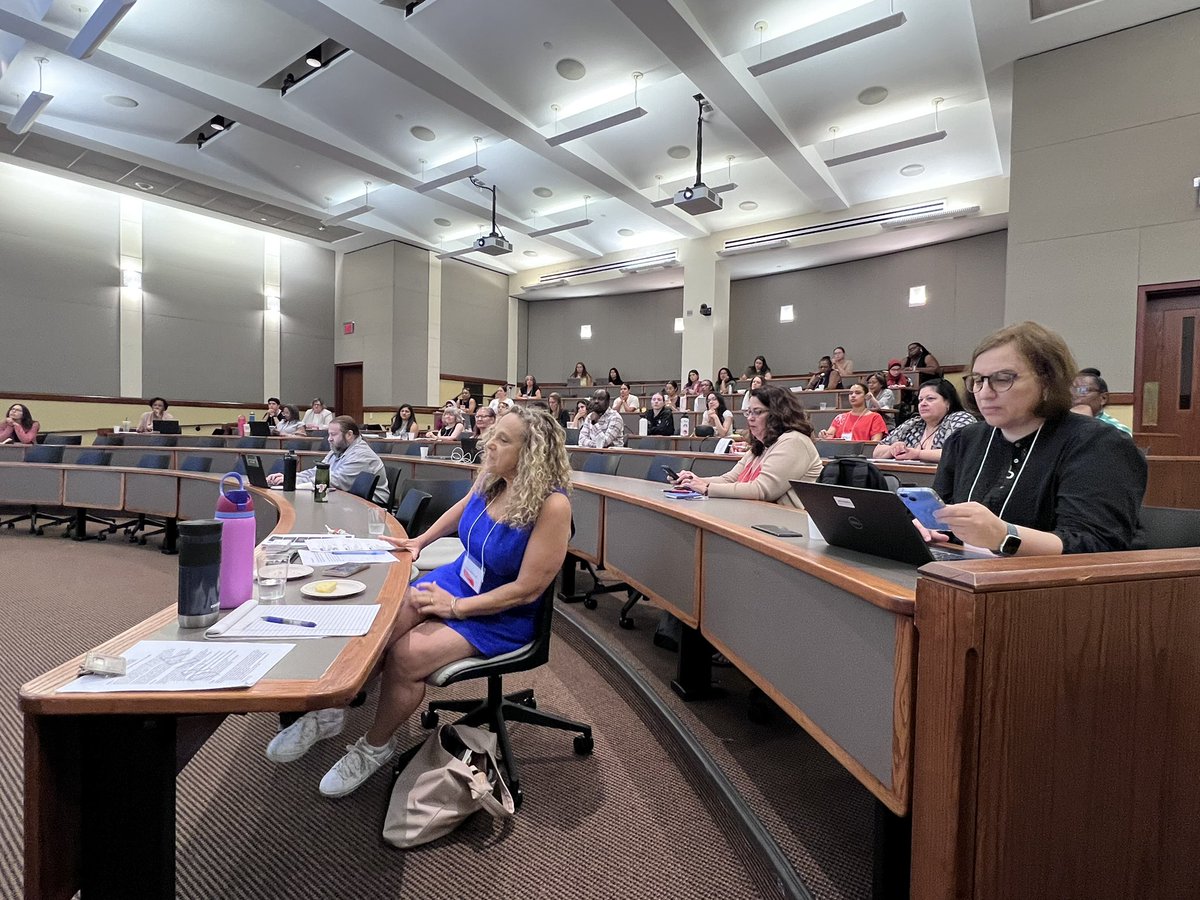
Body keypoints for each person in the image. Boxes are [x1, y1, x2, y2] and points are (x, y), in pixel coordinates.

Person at [267, 407, 572, 797]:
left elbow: (527, 590)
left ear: (531, 453)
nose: (488, 443)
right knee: (383, 624)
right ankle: (330, 711)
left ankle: (375, 746)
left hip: (499, 611)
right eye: (492, 433)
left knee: (407, 657)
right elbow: (463, 509)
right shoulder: (495, 478)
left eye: (503, 439)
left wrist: (456, 609)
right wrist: (419, 541)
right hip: (460, 579)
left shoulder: (552, 506)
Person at [926, 322, 1146, 556]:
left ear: (1047, 382)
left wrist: (1004, 535)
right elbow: (945, 521)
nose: (985, 392)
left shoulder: (1098, 444)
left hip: (1052, 586)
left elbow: (1096, 544)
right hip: (963, 578)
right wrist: (928, 529)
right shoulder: (965, 440)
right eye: (978, 380)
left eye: (1003, 379)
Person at [676, 384, 822, 508]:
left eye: (757, 412)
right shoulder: (761, 445)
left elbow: (762, 490)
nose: (751, 418)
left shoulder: (794, 441)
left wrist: (707, 488)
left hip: (788, 526)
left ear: (779, 414)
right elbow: (730, 479)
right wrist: (694, 480)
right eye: (748, 412)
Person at [268, 416, 389, 505]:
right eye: (329, 435)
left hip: (371, 507)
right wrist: (290, 478)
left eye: (333, 435)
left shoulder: (362, 455)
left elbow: (334, 480)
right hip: (350, 501)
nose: (329, 439)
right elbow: (317, 472)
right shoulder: (338, 450)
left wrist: (294, 483)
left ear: (349, 435)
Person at [872, 378, 975, 463]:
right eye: (920, 400)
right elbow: (877, 451)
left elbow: (964, 451)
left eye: (930, 399)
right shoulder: (913, 423)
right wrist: (893, 449)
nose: (923, 403)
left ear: (948, 402)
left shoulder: (960, 418)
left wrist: (918, 454)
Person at [1070, 370, 1133, 436]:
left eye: (1083, 390)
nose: (1074, 395)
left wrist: (1085, 421)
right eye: (1072, 390)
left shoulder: (1119, 432)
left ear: (1103, 398)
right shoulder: (1064, 423)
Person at [818, 382, 887, 441]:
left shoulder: (875, 417)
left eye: (858, 393)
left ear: (866, 396)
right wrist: (823, 435)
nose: (853, 396)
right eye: (851, 393)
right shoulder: (840, 417)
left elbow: (875, 442)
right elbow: (829, 436)